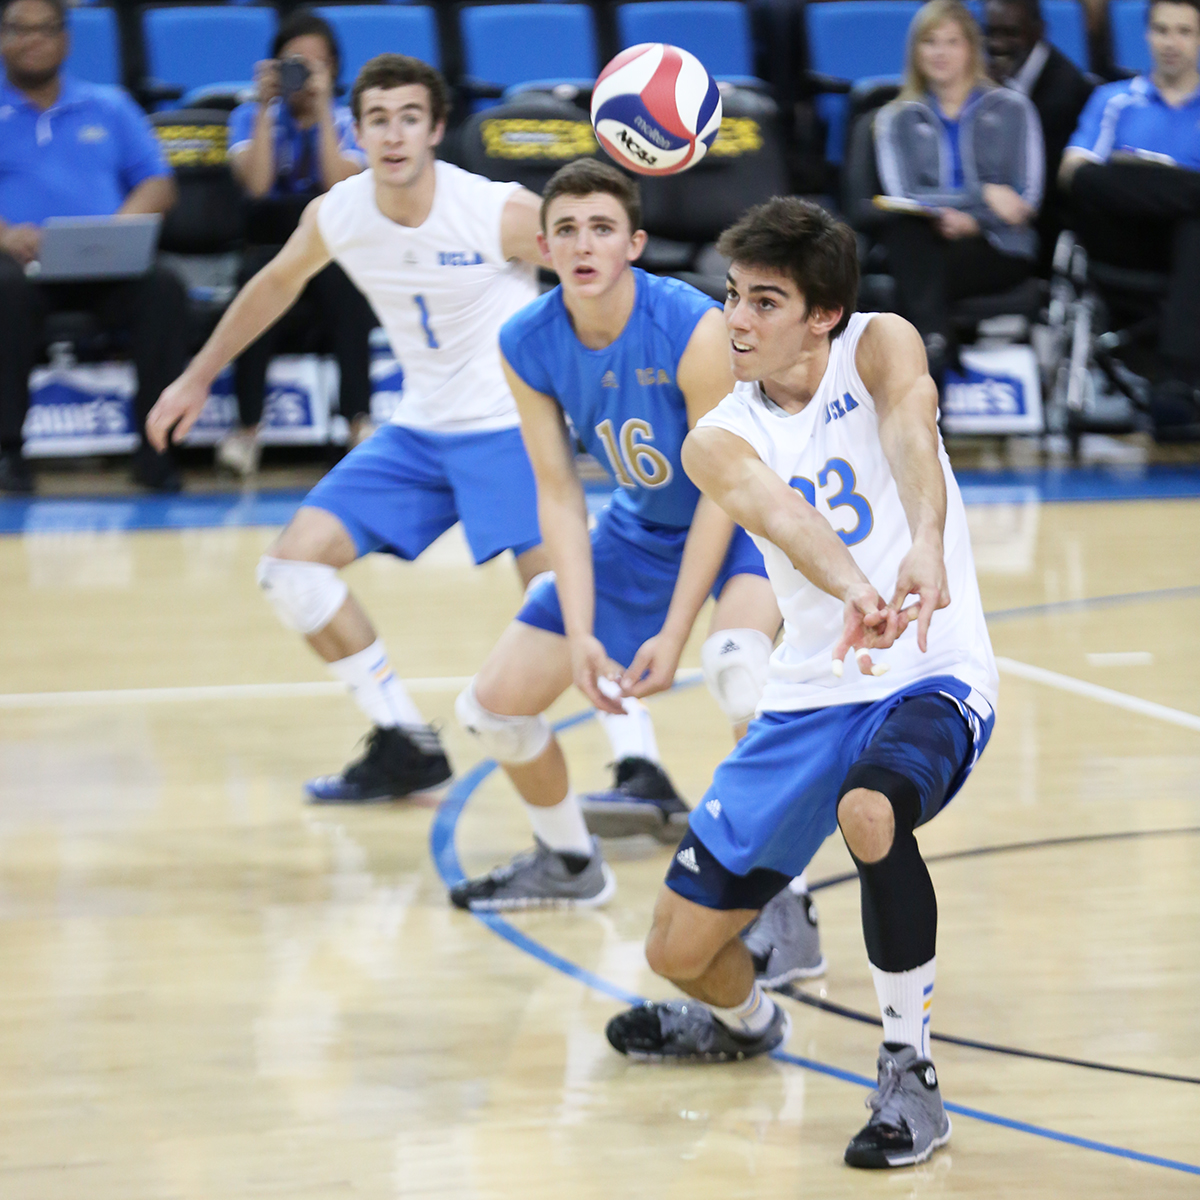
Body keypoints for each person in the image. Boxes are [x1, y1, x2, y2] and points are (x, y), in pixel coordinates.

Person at [146, 57, 692, 811]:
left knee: (565, 596)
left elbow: (598, 262)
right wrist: (197, 376)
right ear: (357, 129)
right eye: (378, 119)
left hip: (508, 426)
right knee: (291, 570)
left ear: (436, 129)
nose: (394, 133)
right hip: (420, 430)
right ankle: (404, 740)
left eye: (410, 117)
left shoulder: (496, 211)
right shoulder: (338, 213)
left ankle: (643, 771)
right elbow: (274, 284)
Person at [604, 198, 998, 1172]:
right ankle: (745, 1026)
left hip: (930, 670)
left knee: (872, 812)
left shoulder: (878, 344)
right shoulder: (718, 435)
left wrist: (928, 546)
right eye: (733, 297)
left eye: (764, 302)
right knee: (677, 952)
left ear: (821, 313)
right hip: (810, 692)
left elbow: (912, 423)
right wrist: (858, 587)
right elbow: (779, 516)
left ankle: (910, 1071)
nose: (736, 319)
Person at [446, 158, 816, 947]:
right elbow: (559, 495)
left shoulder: (690, 325)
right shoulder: (525, 340)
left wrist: (673, 635)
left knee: (739, 672)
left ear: (635, 244)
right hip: (642, 530)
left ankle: (789, 906)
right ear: (542, 246)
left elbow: (724, 487)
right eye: (568, 230)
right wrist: (582, 633)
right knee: (493, 709)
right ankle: (568, 862)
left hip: (751, 514)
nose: (584, 245)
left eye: (602, 228)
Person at [0, 0, 187, 493]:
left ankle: (157, 449)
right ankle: (8, 453)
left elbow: (158, 185)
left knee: (164, 286)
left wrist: (117, 230)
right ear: (2, 38)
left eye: (45, 29)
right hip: (20, 267)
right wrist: (4, 234)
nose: (33, 39)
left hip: (107, 264)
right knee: (3, 288)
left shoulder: (111, 105)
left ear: (65, 39)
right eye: (20, 29)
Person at [222, 8, 376, 477]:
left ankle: (358, 423)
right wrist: (267, 109)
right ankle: (247, 431)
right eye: (295, 63)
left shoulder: (351, 119)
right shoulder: (248, 117)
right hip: (269, 245)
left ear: (334, 68)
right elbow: (258, 186)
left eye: (318, 64)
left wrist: (325, 108)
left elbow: (338, 187)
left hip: (330, 248)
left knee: (349, 284)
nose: (305, 74)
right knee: (256, 283)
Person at [872, 0, 1043, 381]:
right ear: (915, 51)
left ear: (971, 48)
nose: (941, 53)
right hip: (924, 238)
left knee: (911, 277)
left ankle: (928, 349)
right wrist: (985, 197)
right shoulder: (894, 119)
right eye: (930, 42)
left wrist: (973, 221)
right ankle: (934, 347)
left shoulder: (1014, 108)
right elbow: (904, 196)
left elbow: (1025, 200)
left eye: (952, 42)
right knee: (905, 231)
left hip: (996, 246)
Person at [1059, 0, 1200, 439]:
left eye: (1184, 31)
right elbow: (1073, 172)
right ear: (1146, 35)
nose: (1171, 42)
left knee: (1193, 227)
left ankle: (1174, 382)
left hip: (1189, 250)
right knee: (1095, 181)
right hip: (1120, 239)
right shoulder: (1113, 99)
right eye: (1161, 30)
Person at [985, 0, 1093, 272]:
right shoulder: (992, 74)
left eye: (1010, 33)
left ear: (1038, 32)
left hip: (1043, 225)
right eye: (991, 32)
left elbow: (1037, 184)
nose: (997, 44)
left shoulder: (1063, 93)